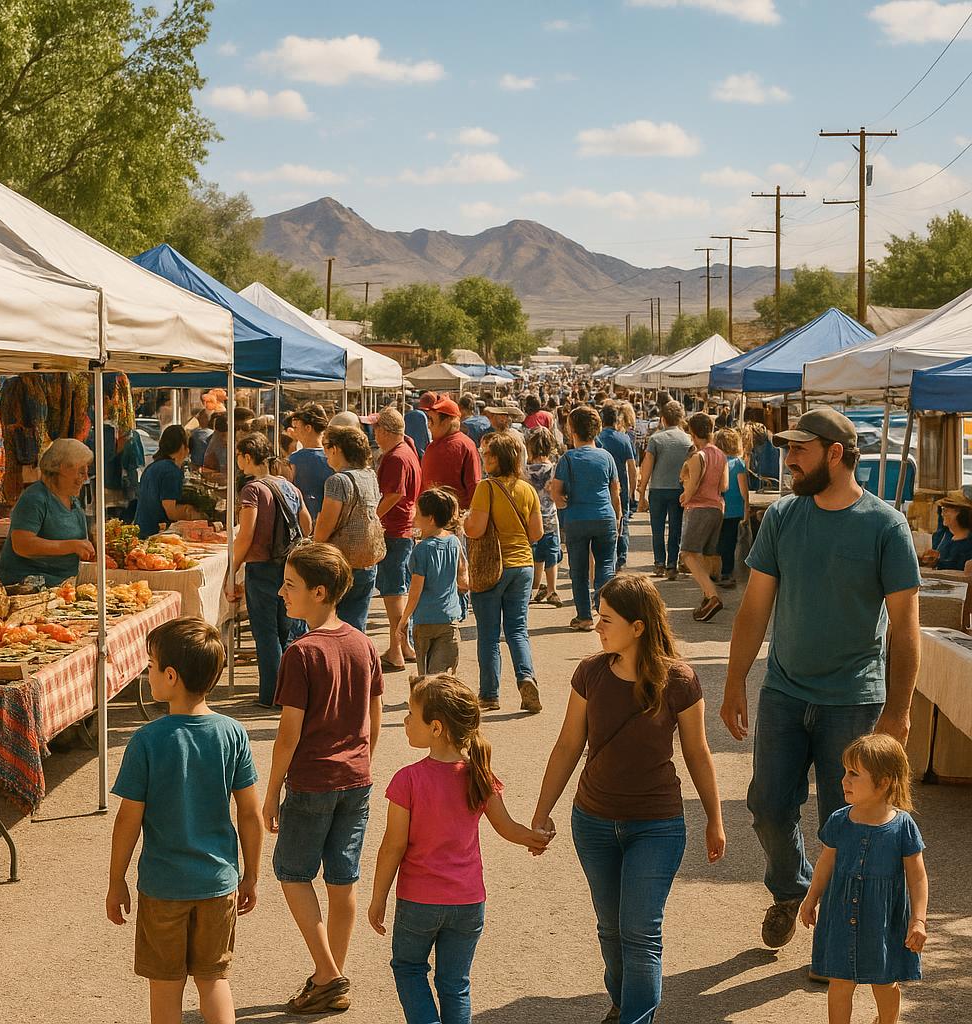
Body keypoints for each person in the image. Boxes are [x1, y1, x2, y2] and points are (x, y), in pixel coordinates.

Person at [720, 406, 921, 954]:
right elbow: (755, 607)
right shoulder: (784, 517)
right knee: (767, 805)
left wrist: (898, 712)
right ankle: (794, 890)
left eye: (799, 450)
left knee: (851, 822)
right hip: (784, 693)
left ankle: (834, 938)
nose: (788, 460)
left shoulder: (886, 525)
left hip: (854, 702)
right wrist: (735, 680)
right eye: (788, 449)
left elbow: (905, 629)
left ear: (835, 454)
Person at [532, 574, 725, 1024]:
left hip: (656, 825)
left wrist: (715, 818)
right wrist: (542, 812)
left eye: (606, 619)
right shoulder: (591, 673)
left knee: (640, 930)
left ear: (638, 627)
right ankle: (623, 1003)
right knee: (611, 929)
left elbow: (697, 753)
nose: (597, 627)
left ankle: (636, 1017)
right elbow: (567, 746)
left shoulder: (680, 680)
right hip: (593, 821)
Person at [368, 674, 552, 1024]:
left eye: (411, 714)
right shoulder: (479, 774)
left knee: (408, 968)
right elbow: (506, 827)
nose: (405, 720)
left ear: (436, 728)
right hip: (468, 903)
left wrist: (379, 898)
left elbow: (392, 846)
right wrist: (535, 838)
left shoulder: (408, 779)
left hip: (419, 901)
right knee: (455, 984)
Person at [106, 617, 263, 1024]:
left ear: (171, 676)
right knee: (213, 979)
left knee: (165, 986)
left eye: (152, 666)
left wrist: (116, 879)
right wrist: (251, 875)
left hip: (163, 887)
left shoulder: (147, 741)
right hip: (218, 883)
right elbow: (249, 813)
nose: (148, 673)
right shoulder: (233, 734)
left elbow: (128, 820)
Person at [263, 544, 384, 1015]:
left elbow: (288, 734)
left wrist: (271, 792)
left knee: (292, 873)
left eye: (290, 585)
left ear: (319, 592)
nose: (282, 592)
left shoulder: (301, 653)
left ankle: (330, 974)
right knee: (342, 880)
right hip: (357, 779)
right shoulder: (362, 643)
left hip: (313, 780)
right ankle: (327, 975)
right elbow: (374, 715)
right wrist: (361, 758)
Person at [800, 734, 928, 1024]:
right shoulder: (839, 820)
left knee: (884, 981)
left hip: (881, 920)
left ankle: (887, 1021)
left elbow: (917, 877)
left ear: (883, 782)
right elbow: (825, 862)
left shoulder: (902, 827)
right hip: (841, 915)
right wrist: (811, 898)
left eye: (854, 774)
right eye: (845, 771)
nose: (844, 780)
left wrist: (918, 919)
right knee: (840, 982)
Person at [228, 432, 311, 707]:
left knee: (266, 634)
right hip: (289, 566)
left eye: (239, 456)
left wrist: (232, 570)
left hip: (261, 568)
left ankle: (271, 695)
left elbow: (246, 534)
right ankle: (293, 694)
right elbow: (306, 524)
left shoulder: (252, 489)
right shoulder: (287, 486)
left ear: (247, 457)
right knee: (288, 632)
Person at [464, 432, 545, 714]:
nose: (484, 458)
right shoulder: (528, 489)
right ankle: (526, 677)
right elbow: (536, 533)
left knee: (488, 634)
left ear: (496, 459)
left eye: (486, 454)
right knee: (518, 630)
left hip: (492, 566)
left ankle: (489, 694)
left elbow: (475, 529)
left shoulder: (486, 488)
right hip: (522, 566)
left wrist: (465, 521)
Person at [551, 405, 620, 632]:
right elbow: (615, 492)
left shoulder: (567, 458)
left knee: (579, 570)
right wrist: (618, 517)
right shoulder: (606, 457)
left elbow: (556, 491)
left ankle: (584, 616)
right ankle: (607, 614)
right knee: (606, 567)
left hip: (577, 518)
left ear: (572, 430)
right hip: (605, 516)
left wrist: (563, 504)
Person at [0, 439, 96, 586]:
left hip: (64, 585)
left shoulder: (73, 501)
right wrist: (71, 546)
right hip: (27, 585)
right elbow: (22, 544)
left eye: (86, 472)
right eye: (80, 472)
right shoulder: (35, 498)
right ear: (60, 469)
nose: (85, 478)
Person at [312, 425, 383, 633]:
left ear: (336, 449)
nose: (325, 454)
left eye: (326, 447)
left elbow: (324, 530)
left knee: (335, 627)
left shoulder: (338, 481)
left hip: (340, 564)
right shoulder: (369, 476)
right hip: (368, 561)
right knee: (357, 626)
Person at [374, 408, 422, 672]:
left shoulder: (396, 457)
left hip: (395, 530)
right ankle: (402, 647)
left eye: (376, 429)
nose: (374, 434)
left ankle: (398, 649)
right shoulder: (407, 451)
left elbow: (394, 494)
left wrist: (373, 515)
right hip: (401, 530)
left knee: (394, 593)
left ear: (384, 431)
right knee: (397, 592)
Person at [396, 488, 464, 677]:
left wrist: (404, 619)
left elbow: (415, 590)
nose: (415, 517)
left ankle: (423, 704)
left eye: (418, 513)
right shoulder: (454, 542)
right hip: (449, 617)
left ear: (431, 518)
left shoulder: (421, 550)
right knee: (443, 674)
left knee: (425, 675)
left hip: (425, 620)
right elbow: (461, 574)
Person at [678, 412, 729, 623]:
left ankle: (712, 595)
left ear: (692, 432)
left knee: (688, 554)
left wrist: (684, 495)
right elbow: (724, 485)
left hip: (700, 507)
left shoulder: (699, 455)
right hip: (717, 506)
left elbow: (694, 483)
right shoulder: (721, 454)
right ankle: (707, 598)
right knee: (705, 556)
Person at [637, 401, 693, 581]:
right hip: (678, 489)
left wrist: (642, 492)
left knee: (657, 528)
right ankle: (672, 564)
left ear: (663, 419)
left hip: (658, 489)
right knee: (675, 528)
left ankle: (659, 562)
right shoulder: (687, 439)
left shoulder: (655, 439)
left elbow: (647, 466)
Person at [134, 425, 199, 542]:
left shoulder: (153, 467)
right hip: (157, 535)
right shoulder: (171, 471)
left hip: (142, 531)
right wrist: (191, 512)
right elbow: (171, 512)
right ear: (182, 446)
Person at [421, 397, 482, 511]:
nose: (429, 425)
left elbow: (474, 485)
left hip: (455, 517)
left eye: (431, 420)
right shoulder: (432, 446)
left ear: (446, 422)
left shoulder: (465, 445)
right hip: (431, 517)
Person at [525, 427, 563, 607]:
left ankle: (535, 586)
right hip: (550, 518)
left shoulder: (525, 471)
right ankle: (552, 590)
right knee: (552, 555)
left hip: (531, 519)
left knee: (536, 555)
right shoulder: (554, 469)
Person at [597, 405, 638, 572]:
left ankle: (607, 556)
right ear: (617, 420)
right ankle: (621, 558)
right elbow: (632, 467)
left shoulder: (597, 439)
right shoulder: (624, 439)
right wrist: (633, 490)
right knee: (623, 521)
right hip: (621, 486)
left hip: (602, 487)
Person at [287, 403, 334, 523]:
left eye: (297, 427)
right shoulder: (334, 456)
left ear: (308, 428)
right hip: (330, 519)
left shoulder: (295, 459)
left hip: (302, 521)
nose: (294, 431)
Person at [714, 428, 749, 588]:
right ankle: (727, 573)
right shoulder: (739, 464)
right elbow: (744, 491)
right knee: (729, 542)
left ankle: (717, 571)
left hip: (716, 508)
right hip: (734, 510)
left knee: (717, 541)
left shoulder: (715, 462)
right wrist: (746, 511)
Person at [925, 487, 972, 571]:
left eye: (945, 510)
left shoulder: (968, 541)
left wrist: (939, 562)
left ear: (960, 513)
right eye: (942, 510)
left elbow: (958, 567)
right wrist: (934, 560)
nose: (942, 514)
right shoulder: (947, 538)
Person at [405, 393, 436, 459]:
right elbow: (425, 438)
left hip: (408, 453)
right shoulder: (421, 416)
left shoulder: (409, 415)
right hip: (419, 456)